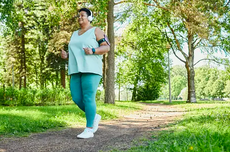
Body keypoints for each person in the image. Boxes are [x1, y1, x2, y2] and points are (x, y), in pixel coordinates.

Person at [61, 8, 110, 139]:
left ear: (90, 17)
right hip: (75, 70)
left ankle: (89, 129)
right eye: (79, 16)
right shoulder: (74, 34)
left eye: (82, 15)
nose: (80, 17)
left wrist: (93, 50)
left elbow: (106, 47)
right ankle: (94, 116)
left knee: (88, 97)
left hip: (91, 69)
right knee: (76, 98)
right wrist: (66, 55)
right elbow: (74, 51)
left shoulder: (96, 30)